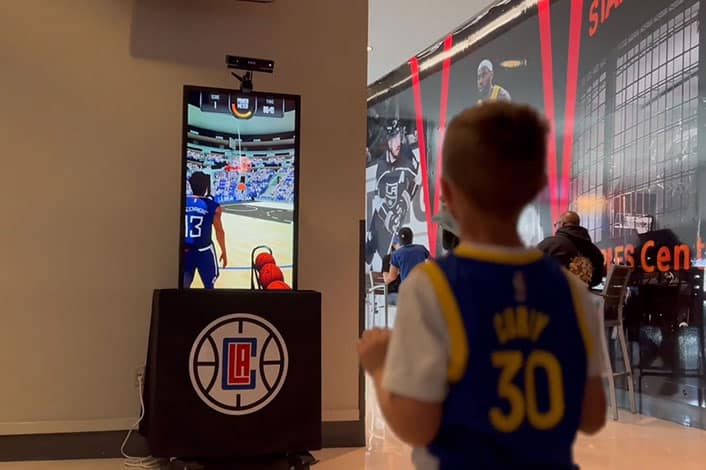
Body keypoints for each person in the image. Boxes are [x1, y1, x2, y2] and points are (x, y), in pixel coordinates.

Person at [358, 102, 606, 469]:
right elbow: (592, 414)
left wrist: (379, 367)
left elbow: (417, 425)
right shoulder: (570, 290)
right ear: (537, 187)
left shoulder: (432, 287)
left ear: (446, 192)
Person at [365, 120, 420, 268]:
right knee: (372, 243)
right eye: (393, 138)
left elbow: (416, 180)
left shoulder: (407, 155)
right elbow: (378, 198)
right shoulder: (382, 167)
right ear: (387, 141)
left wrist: (403, 201)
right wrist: (387, 214)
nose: (397, 142)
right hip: (387, 218)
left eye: (398, 137)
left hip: (398, 216)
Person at [538, 211, 606, 288]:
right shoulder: (594, 251)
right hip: (583, 297)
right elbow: (597, 279)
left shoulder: (550, 244)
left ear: (562, 224)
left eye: (555, 225)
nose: (555, 227)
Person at [183, 171, 228, 289]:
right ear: (206, 187)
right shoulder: (214, 206)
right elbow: (220, 232)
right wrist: (224, 251)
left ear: (190, 185)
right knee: (209, 286)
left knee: (183, 285)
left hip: (186, 250)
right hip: (204, 251)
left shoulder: (181, 202)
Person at [382, 237, 402, 305]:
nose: (403, 247)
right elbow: (386, 280)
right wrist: (396, 270)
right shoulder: (387, 258)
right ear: (394, 245)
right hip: (392, 293)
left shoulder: (406, 258)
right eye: (400, 244)